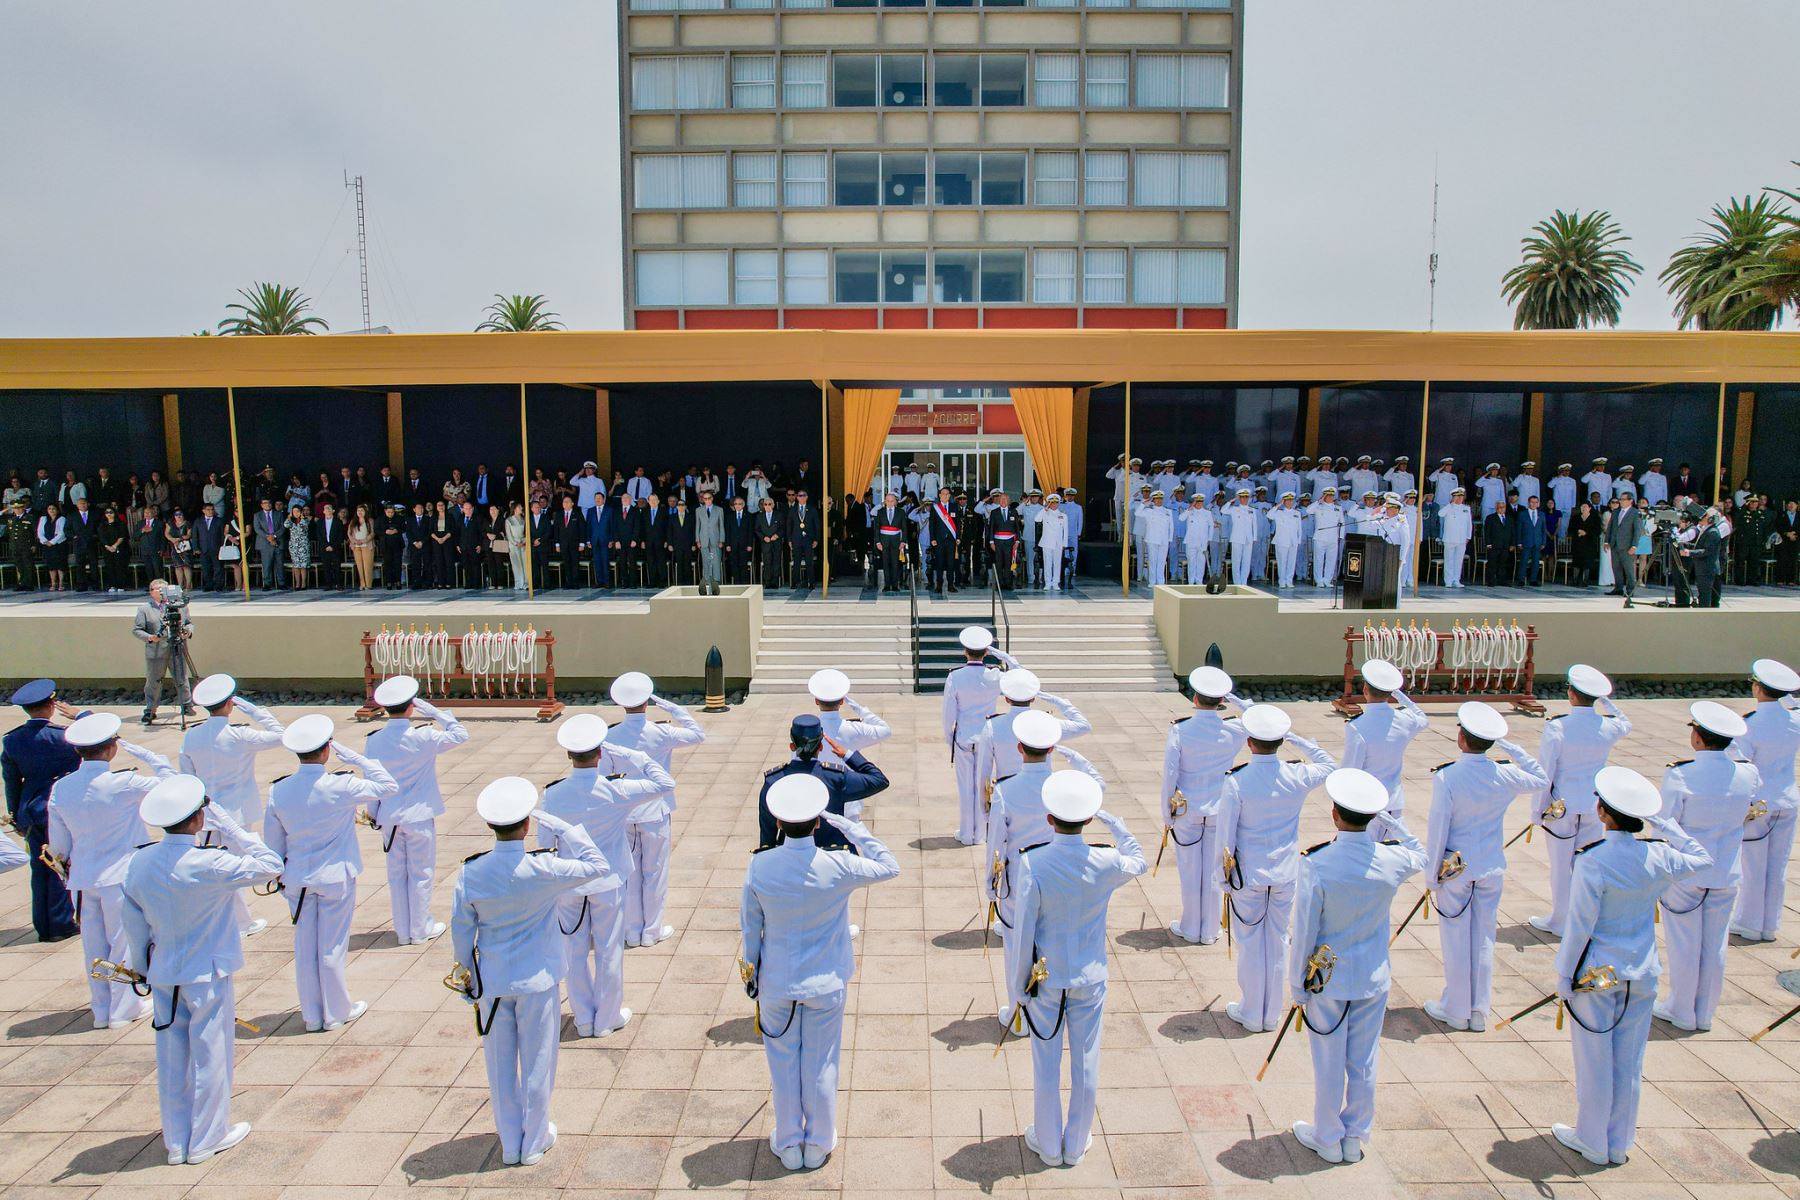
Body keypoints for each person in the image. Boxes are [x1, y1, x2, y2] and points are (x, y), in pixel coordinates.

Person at [1548, 766, 1711, 1167]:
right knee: (1629, 1061)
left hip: (1597, 975)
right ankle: (1618, 1142)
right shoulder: (1659, 853)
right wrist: (1666, 824)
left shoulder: (1594, 859)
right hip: (1642, 971)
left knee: (1595, 1060)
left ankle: (1591, 1138)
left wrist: (1564, 975)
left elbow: (1580, 925)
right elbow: (1703, 857)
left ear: (1603, 813)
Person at [742, 774, 899, 1171]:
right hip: (826, 980)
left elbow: (751, 930)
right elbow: (889, 866)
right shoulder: (839, 864)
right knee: (821, 1062)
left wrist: (753, 977)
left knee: (782, 1064)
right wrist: (850, 825)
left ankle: (790, 1140)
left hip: (777, 981)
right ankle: (819, 1141)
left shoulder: (760, 866)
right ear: (817, 823)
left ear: (777, 823)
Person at [124, 774, 281, 1164]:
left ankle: (177, 1141)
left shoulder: (139, 861)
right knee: (212, 1055)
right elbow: (270, 863)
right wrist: (230, 826)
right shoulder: (208, 862)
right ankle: (208, 1136)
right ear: (198, 819)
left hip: (164, 972)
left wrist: (143, 968)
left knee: (172, 1057)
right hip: (207, 972)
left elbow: (133, 924)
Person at [454, 778, 608, 1167]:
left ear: (491, 826)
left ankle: (510, 1142)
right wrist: (572, 829)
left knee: (500, 1064)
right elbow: (597, 865)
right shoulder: (543, 867)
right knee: (539, 1060)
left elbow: (461, 932)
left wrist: (469, 979)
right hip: (537, 979)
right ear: (526, 826)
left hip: (493, 979)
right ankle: (535, 1139)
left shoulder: (472, 872)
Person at [1003, 772, 1145, 1168]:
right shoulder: (1105, 859)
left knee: (1046, 1060)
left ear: (1049, 818)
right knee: (1085, 1061)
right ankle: (1076, 1142)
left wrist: (1018, 988)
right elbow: (1139, 861)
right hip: (1090, 975)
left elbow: (1023, 930)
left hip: (1046, 980)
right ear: (1087, 819)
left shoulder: (1035, 862)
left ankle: (1049, 1143)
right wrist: (1116, 825)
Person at [1284, 768, 1425, 1164]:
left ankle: (1328, 1134)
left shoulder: (1318, 863)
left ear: (1334, 813)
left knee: (1329, 1060)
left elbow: (1305, 930)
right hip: (1373, 976)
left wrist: (1298, 985)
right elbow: (1422, 855)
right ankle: (1355, 1135)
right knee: (1363, 1060)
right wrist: (1393, 821)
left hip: (1328, 980)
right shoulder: (1391, 859)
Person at [266, 715, 397, 1032]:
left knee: (306, 948)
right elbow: (388, 786)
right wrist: (356, 757)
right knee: (331, 948)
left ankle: (312, 1016)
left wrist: (280, 876)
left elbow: (273, 843)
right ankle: (336, 1011)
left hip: (297, 878)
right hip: (335, 876)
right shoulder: (341, 784)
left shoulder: (279, 791)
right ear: (326, 750)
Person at [545, 716, 674, 1037]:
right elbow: (664, 784)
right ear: (600, 754)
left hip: (570, 882)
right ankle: (607, 1017)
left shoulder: (553, 794)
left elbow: (545, 845)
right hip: (607, 881)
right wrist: (638, 757)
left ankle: (584, 1017)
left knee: (573, 950)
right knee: (608, 949)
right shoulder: (614, 789)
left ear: (568, 755)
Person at [1423, 703, 1548, 1031]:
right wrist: (1512, 748)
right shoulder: (1504, 773)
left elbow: (1438, 828)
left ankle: (1456, 1007)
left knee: (1456, 939)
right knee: (1483, 939)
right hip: (1490, 865)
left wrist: (1431, 875)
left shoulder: (1448, 776)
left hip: (1455, 869)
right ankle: (1478, 1011)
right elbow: (1540, 778)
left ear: (1461, 738)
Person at [49, 712, 173, 1027]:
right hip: (119, 875)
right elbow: (172, 784)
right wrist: (147, 754)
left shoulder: (62, 788)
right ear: (111, 748)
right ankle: (123, 1009)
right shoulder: (123, 782)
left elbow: (59, 845)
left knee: (94, 946)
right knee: (124, 944)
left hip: (83, 878)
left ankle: (101, 1009)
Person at [1220, 704, 1336, 1033]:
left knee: (1251, 944)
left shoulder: (1237, 782)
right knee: (1277, 941)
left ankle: (1252, 1009)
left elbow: (1226, 841)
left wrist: (1223, 880)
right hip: (1285, 874)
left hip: (1248, 875)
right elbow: (1328, 765)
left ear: (1249, 742)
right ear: (1280, 742)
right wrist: (1300, 740)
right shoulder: (1296, 774)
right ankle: (1269, 1013)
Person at [1652, 701, 1759, 1033]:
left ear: (1697, 738)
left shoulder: (1681, 773)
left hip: (1687, 871)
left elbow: (1664, 825)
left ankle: (1682, 1007)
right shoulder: (1747, 773)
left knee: (1685, 942)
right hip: (1726, 870)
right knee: (1715, 945)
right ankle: (1705, 1011)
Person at [180, 673, 287, 937]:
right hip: (235, 812)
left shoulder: (192, 736)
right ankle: (240, 923)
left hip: (204, 813)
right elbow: (282, 736)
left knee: (213, 866)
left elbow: (187, 777)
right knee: (234, 867)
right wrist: (254, 710)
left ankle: (220, 918)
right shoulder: (239, 735)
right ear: (230, 703)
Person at [365, 676, 469, 946]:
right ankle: (420, 928)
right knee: (421, 873)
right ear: (412, 706)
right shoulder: (423, 735)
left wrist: (373, 814)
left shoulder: (374, 741)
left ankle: (403, 931)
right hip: (419, 815)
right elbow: (460, 734)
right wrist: (435, 712)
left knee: (397, 875)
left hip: (390, 816)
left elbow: (371, 781)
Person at [605, 672, 706, 947]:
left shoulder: (610, 735)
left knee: (629, 873)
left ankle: (631, 931)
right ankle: (651, 930)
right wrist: (675, 709)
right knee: (655, 872)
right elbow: (698, 734)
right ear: (647, 703)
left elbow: (605, 779)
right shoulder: (660, 732)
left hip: (625, 813)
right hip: (655, 811)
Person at [1530, 666, 1632, 936]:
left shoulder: (1558, 726)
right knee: (1586, 864)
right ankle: (1583, 918)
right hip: (1593, 806)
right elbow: (1626, 722)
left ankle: (1560, 920)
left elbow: (1546, 771)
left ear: (1571, 695)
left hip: (1561, 807)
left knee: (1561, 866)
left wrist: (1536, 811)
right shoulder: (1608, 726)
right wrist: (1603, 699)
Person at [986, 712, 1105, 938]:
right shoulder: (1061, 785)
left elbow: (995, 843)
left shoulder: (1005, 789)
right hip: (1054, 864)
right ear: (1051, 749)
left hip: (1019, 866)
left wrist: (990, 884)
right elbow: (1098, 786)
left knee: (1015, 936)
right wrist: (1077, 759)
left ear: (1019, 748)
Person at [1161, 666, 1249, 944]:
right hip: (1219, 809)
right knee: (1214, 869)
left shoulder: (1181, 730)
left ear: (1194, 698)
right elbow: (1260, 720)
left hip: (1187, 808)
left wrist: (1167, 814)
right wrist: (1235, 699)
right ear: (1221, 700)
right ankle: (1210, 929)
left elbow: (1170, 776)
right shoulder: (1233, 729)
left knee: (1190, 869)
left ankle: (1191, 926)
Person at [2, 679, 84, 941]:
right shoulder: (63, 737)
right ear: (51, 705)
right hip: (59, 808)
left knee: (40, 869)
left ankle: (44, 925)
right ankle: (61, 924)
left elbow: (11, 782)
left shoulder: (12, 741)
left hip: (31, 810)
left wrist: (16, 814)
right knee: (60, 864)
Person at [1732, 658, 1800, 941]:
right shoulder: (1795, 719)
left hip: (1758, 803)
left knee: (1754, 866)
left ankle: (1749, 922)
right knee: (1778, 865)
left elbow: (1742, 767)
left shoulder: (1749, 724)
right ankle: (1769, 925)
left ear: (1758, 689)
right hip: (1787, 799)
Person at [756, 716, 890, 855]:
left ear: (792, 746)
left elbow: (768, 833)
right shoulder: (835, 777)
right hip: (833, 855)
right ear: (821, 746)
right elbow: (879, 780)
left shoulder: (774, 780)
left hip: (791, 856)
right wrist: (848, 755)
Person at [942, 626, 1021, 845]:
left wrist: (950, 739)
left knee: (966, 788)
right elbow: (1020, 674)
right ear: (985, 652)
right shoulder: (995, 675)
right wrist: (1000, 654)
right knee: (985, 785)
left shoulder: (955, 676)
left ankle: (968, 833)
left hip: (964, 738)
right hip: (988, 736)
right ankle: (983, 834)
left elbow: (948, 713)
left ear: (964, 651)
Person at [1338, 660, 1429, 841]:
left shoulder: (1358, 726)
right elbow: (1422, 718)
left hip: (1366, 804)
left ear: (1365, 690)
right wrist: (1399, 695)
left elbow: (1350, 770)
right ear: (1390, 693)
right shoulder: (1404, 720)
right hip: (1394, 802)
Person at [135, 579, 194, 725]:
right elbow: (137, 630)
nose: (162, 592)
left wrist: (188, 632)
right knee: (154, 680)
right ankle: (150, 709)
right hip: (156, 650)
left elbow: (189, 623)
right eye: (158, 589)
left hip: (177, 647)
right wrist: (150, 637)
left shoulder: (180, 606)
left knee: (181, 677)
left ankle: (187, 705)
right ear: (151, 592)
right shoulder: (144, 609)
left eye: (164, 589)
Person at [1605, 491, 1644, 605]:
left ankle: (1630, 590)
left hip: (1627, 545)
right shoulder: (1616, 512)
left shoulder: (1635, 513)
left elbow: (1637, 530)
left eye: (1623, 499)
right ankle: (1618, 587)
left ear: (1630, 501)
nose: (1620, 501)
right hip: (1615, 544)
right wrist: (1607, 541)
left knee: (1629, 569)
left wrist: (1634, 545)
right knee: (1616, 567)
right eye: (1620, 499)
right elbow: (1610, 527)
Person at [928, 486, 961, 593]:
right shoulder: (935, 507)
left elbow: (958, 524)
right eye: (943, 494)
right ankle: (939, 585)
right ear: (940, 495)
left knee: (951, 563)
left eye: (947, 494)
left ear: (950, 496)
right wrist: (932, 538)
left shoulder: (954, 507)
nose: (945, 496)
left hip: (951, 541)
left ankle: (951, 585)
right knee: (939, 563)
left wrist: (958, 537)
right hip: (939, 540)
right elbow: (931, 524)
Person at [696, 490, 726, 595]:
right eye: (705, 498)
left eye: (709, 498)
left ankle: (716, 581)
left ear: (712, 498)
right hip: (703, 539)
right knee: (706, 561)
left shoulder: (719, 510)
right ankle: (707, 581)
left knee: (716, 560)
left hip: (715, 538)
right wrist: (697, 540)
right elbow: (697, 526)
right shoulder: (698, 510)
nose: (707, 500)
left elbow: (721, 525)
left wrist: (722, 539)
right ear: (703, 499)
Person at [1483, 496, 1516, 587]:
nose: (1501, 509)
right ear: (1496, 508)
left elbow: (1513, 532)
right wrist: (1488, 543)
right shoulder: (1490, 518)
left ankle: (1501, 580)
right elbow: (1487, 532)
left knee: (1503, 564)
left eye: (1503, 507)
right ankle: (1491, 580)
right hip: (1494, 545)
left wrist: (1513, 544)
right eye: (1500, 507)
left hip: (1505, 545)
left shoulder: (1509, 518)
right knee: (1492, 564)